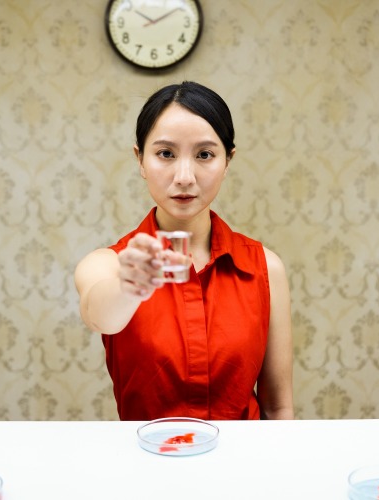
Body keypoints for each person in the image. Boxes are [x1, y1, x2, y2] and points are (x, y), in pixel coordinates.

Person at [74, 81, 293, 421]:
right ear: (141, 160)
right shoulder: (107, 264)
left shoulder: (265, 268)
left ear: (227, 161)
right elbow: (102, 316)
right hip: (148, 466)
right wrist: (130, 285)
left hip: (244, 469)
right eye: (165, 154)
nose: (185, 176)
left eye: (204, 155)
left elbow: (278, 407)